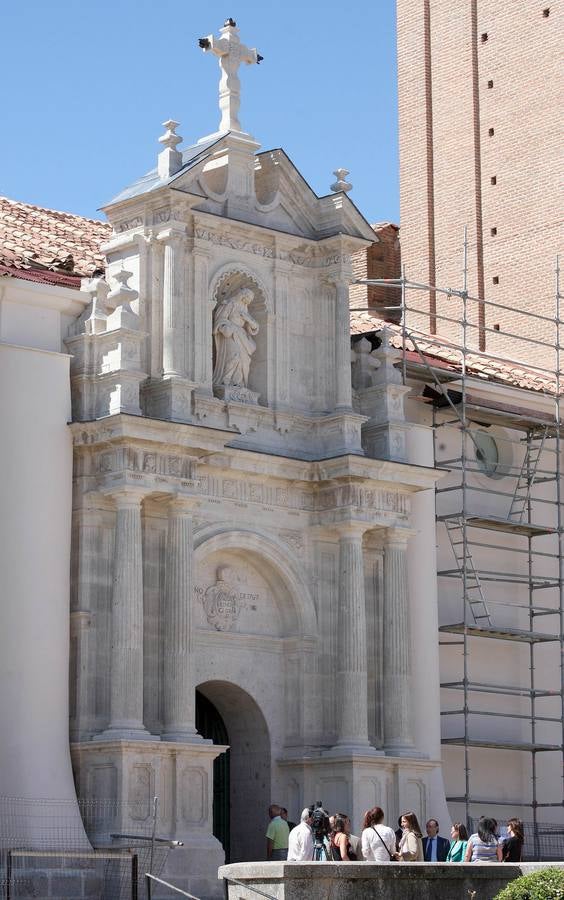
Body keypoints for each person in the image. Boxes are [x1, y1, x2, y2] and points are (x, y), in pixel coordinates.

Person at [212, 287, 259, 388]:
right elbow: (221, 319)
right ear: (243, 295)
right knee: (234, 356)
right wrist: (225, 328)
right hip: (231, 333)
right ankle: (225, 380)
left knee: (244, 360)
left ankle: (237, 383)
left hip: (241, 336)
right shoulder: (230, 304)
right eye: (248, 298)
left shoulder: (244, 308)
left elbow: (253, 327)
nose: (249, 301)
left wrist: (249, 320)